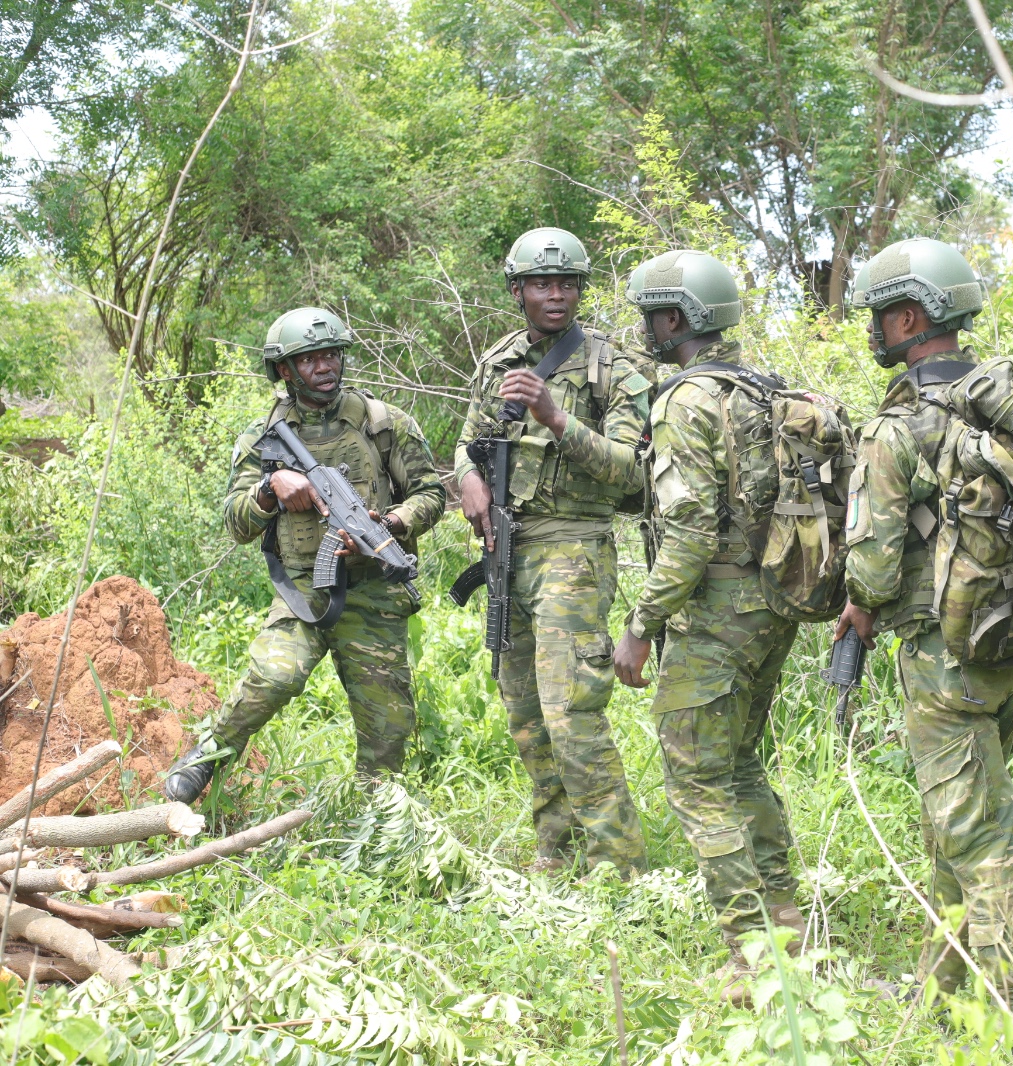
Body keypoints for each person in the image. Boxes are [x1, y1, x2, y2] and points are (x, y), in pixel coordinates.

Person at [835, 237, 1013, 1001]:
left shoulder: (901, 426)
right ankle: (941, 984)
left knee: (978, 835)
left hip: (944, 655)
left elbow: (871, 564)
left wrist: (858, 604)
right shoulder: (1010, 407)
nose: (871, 330)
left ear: (908, 317)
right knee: (953, 819)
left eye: (877, 316)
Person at [611, 249, 802, 1007]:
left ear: (676, 318)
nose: (644, 328)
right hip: (772, 606)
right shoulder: (762, 390)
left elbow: (687, 533)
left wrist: (640, 626)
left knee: (698, 783)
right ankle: (788, 930)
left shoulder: (685, 401)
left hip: (717, 612)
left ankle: (753, 961)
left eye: (650, 314)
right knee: (743, 765)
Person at [165, 307, 446, 802]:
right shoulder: (263, 438)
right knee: (275, 675)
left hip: (374, 590)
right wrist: (271, 489)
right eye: (310, 358)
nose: (325, 366)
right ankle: (204, 757)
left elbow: (431, 493)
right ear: (284, 370)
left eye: (332, 354)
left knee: (390, 728)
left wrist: (393, 524)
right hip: (302, 590)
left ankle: (373, 819)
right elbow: (235, 522)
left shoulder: (384, 423)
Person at [455, 227, 653, 879]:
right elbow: (467, 443)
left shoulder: (610, 367)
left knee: (571, 712)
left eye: (567, 283)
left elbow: (631, 471)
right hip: (509, 549)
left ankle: (618, 865)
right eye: (542, 284)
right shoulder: (498, 362)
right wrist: (469, 481)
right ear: (517, 290)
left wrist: (558, 420)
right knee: (525, 711)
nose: (556, 295)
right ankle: (556, 844)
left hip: (575, 549)